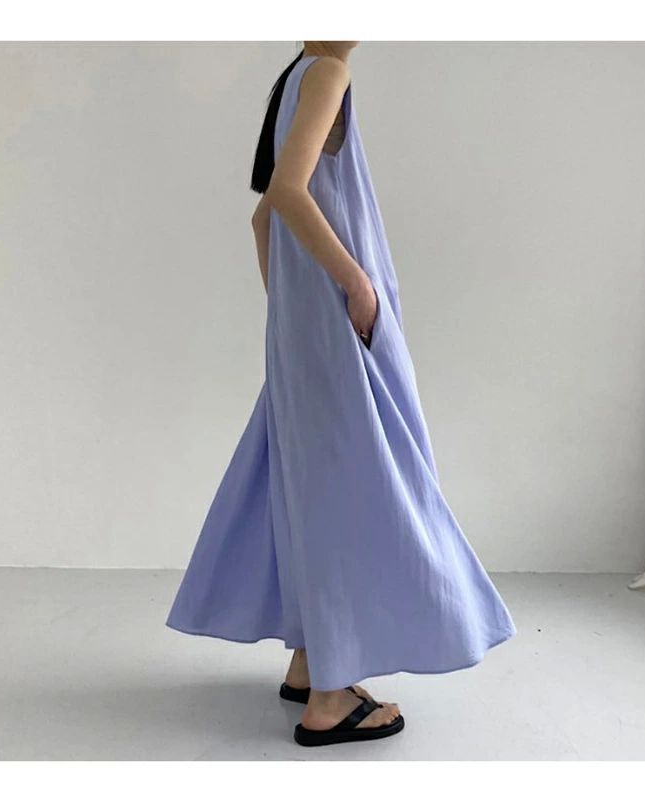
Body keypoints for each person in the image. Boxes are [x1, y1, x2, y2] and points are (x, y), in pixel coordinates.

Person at [166, 41, 517, 748]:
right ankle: (329, 699)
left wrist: (290, 310)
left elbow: (264, 216)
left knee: (315, 483)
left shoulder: (295, 75)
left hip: (306, 327)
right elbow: (289, 194)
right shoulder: (328, 71)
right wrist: (355, 284)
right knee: (362, 487)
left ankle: (310, 661)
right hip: (338, 319)